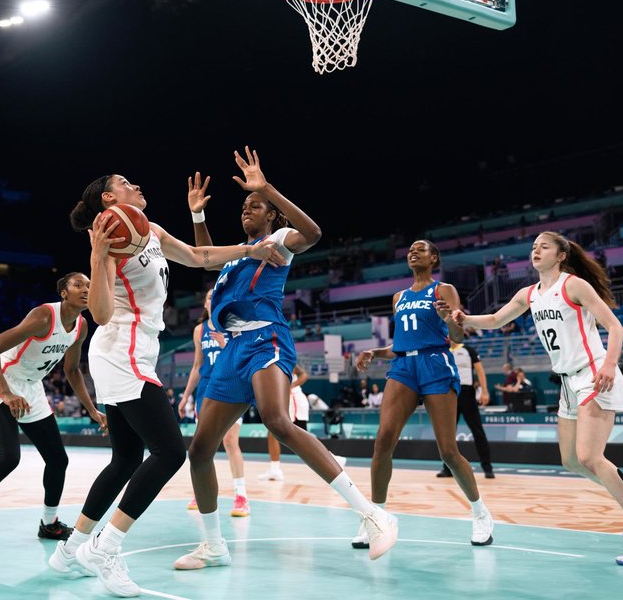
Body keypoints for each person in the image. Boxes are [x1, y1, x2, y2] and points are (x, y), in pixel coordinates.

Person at [48, 169, 284, 596]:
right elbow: (99, 314)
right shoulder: (109, 237)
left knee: (125, 459)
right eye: (124, 183)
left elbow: (198, 257)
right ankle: (106, 546)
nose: (137, 185)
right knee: (172, 451)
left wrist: (252, 250)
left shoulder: (150, 229)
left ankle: (71, 550)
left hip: (139, 352)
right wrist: (97, 257)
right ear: (107, 200)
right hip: (120, 350)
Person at [174, 147, 397, 571]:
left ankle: (373, 514)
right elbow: (206, 259)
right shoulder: (238, 254)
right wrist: (199, 217)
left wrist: (267, 189)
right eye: (243, 205)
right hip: (232, 350)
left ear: (272, 215)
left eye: (253, 206)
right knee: (200, 450)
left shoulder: (277, 242)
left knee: (278, 420)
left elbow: (312, 232)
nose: (246, 210)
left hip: (265, 339)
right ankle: (214, 545)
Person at [451, 231, 623, 566]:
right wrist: (465, 319)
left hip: (594, 373)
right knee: (570, 460)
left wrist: (610, 365)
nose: (536, 251)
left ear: (561, 254)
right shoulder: (530, 294)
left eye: (544, 247)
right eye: (533, 247)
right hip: (568, 383)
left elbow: (615, 327)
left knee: (590, 456)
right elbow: (496, 320)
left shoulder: (574, 286)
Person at [0, 272, 107, 563]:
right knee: (8, 457)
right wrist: (6, 394)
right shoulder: (44, 316)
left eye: (89, 285)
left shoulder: (81, 326)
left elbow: (72, 370)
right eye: (79, 285)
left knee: (58, 459)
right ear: (64, 292)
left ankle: (49, 523)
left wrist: (92, 409)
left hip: (30, 388)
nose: (86, 289)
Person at [353, 240, 495, 551]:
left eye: (421, 249)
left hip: (435, 363)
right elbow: (400, 344)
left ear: (434, 258)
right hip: (404, 365)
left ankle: (480, 513)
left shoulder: (444, 290)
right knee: (383, 440)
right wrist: (375, 352)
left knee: (447, 450)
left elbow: (457, 336)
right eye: (410, 250)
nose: (412, 252)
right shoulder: (399, 297)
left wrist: (449, 321)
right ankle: (376, 518)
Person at [180, 288, 250, 516]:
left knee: (230, 441)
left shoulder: (233, 324)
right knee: (204, 445)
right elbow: (196, 366)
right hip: (206, 391)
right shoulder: (199, 330)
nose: (214, 298)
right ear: (205, 303)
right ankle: (203, 492)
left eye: (217, 295)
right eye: (209, 296)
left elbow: (243, 357)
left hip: (232, 387)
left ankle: (241, 496)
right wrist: (185, 396)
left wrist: (225, 347)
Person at [436, 340, 495, 479]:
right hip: (449, 394)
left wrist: (484, 391)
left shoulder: (469, 350)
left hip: (467, 393)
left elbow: (480, 371)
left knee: (477, 430)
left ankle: (487, 467)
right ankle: (447, 468)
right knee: (448, 434)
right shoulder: (443, 352)